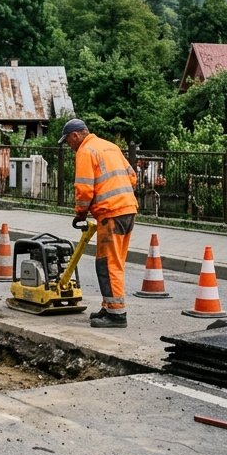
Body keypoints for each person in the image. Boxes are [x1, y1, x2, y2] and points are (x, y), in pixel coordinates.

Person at [60, 118, 138, 328]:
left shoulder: (85, 151)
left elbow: (84, 189)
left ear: (76, 135)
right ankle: (109, 306)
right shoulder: (110, 147)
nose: (69, 145)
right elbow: (132, 178)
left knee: (107, 264)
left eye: (68, 141)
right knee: (116, 263)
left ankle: (116, 314)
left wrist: (80, 214)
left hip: (110, 214)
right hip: (128, 210)